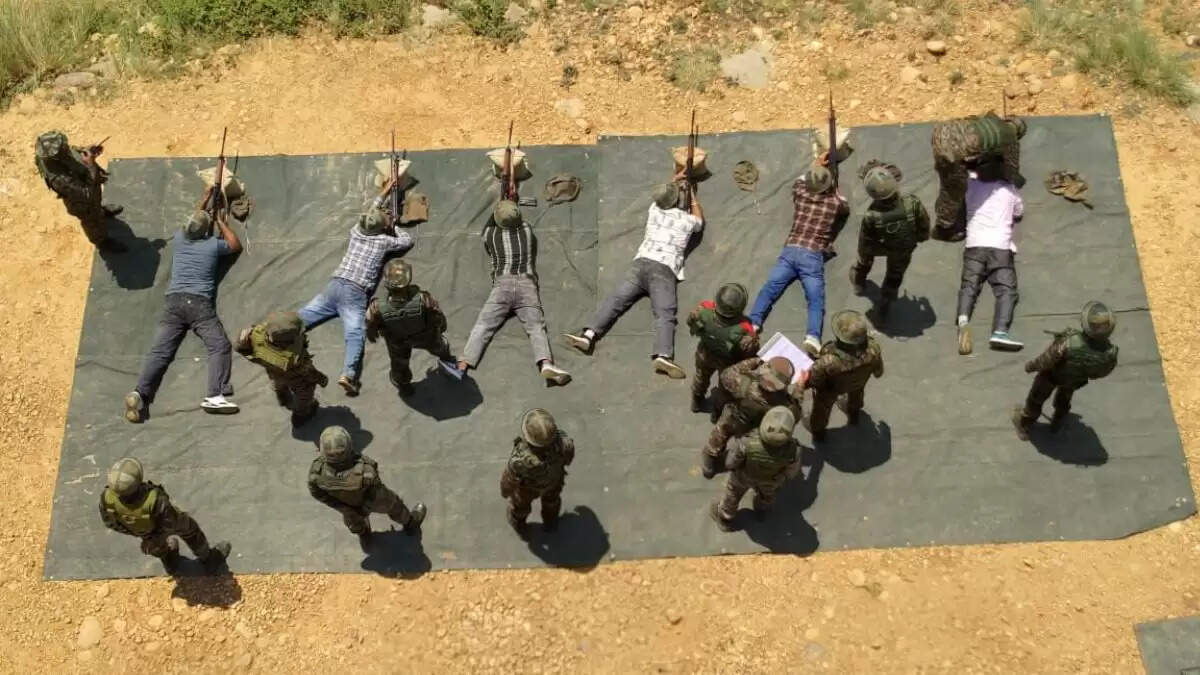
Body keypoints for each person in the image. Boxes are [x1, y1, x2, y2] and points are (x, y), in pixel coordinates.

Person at [561, 175, 704, 379]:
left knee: (615, 300)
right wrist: (693, 197)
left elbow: (664, 193)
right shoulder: (687, 220)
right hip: (663, 270)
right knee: (664, 314)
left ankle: (588, 335)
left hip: (640, 265)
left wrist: (675, 178)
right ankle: (663, 355)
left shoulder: (654, 210)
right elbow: (699, 221)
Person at [123, 188, 241, 423]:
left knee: (160, 352)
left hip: (173, 303)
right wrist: (221, 222)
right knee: (219, 346)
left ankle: (139, 392)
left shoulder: (179, 238)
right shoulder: (212, 246)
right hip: (198, 304)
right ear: (206, 231)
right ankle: (215, 394)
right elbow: (235, 245)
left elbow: (194, 219)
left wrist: (205, 199)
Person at [297, 177, 414, 397]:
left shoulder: (356, 231)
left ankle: (273, 333)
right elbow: (407, 240)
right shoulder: (384, 241)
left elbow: (372, 210)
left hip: (335, 284)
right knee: (355, 334)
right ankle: (348, 375)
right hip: (354, 293)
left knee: (304, 317)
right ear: (382, 229)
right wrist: (394, 225)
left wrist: (384, 191)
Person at [457, 201, 571, 385]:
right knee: (536, 328)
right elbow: (516, 221)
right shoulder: (527, 230)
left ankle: (463, 365)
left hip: (502, 285)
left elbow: (489, 225)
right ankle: (546, 363)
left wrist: (498, 209)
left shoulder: (490, 235)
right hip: (527, 284)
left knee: (483, 325)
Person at [747, 165, 849, 357]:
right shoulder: (834, 204)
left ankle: (754, 323)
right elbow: (844, 205)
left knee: (770, 288)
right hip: (812, 256)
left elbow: (799, 181)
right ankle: (813, 337)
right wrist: (833, 188)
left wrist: (817, 164)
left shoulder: (801, 194)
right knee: (815, 300)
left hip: (791, 250)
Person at [98, 457, 231, 572]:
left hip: (141, 530)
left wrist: (144, 536)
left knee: (155, 545)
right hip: (164, 523)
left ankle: (169, 560)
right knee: (190, 530)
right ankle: (208, 559)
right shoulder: (154, 499)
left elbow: (110, 523)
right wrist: (158, 537)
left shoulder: (107, 498)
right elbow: (170, 522)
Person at [1012, 301, 1119, 440]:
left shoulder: (1070, 342)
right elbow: (1102, 373)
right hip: (1074, 381)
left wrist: (1031, 366)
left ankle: (1024, 423)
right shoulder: (1110, 353)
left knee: (1036, 399)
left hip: (1051, 376)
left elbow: (1047, 359)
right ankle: (1058, 422)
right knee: (1064, 400)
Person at [307, 426, 427, 548]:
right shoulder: (366, 469)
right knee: (395, 506)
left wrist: (343, 508)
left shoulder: (316, 474)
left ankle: (364, 535)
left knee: (354, 522)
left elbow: (316, 492)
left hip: (347, 505)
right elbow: (375, 490)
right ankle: (411, 523)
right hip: (373, 500)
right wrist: (364, 509)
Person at [955, 157, 1025, 355]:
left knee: (969, 286)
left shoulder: (970, 185)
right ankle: (1000, 331)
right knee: (1006, 290)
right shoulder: (1009, 189)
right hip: (1000, 248)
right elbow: (1019, 212)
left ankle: (963, 319)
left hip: (974, 246)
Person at [849, 161, 931, 319]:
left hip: (881, 246)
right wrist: (921, 238)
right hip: (903, 248)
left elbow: (865, 242)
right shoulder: (912, 203)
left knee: (863, 262)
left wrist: (864, 257)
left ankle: (859, 282)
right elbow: (924, 225)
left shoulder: (871, 215)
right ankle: (885, 304)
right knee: (895, 275)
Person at [365, 259, 458, 397]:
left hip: (398, 342)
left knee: (399, 365)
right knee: (440, 346)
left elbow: (370, 327)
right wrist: (441, 327)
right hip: (425, 336)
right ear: (408, 281)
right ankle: (448, 362)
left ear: (387, 284)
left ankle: (404, 386)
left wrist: (373, 334)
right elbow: (437, 317)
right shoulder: (423, 299)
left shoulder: (376, 307)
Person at [701, 356, 803, 479]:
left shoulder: (744, 383)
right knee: (748, 448)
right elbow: (795, 416)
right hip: (756, 429)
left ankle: (708, 466)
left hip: (734, 418)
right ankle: (740, 462)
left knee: (719, 435)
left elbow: (726, 375)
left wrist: (755, 361)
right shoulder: (784, 405)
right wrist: (800, 387)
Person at [930, 112, 1026, 241]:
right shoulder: (1011, 140)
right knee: (953, 190)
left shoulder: (991, 118)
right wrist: (1015, 184)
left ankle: (945, 167)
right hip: (952, 150)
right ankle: (943, 229)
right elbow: (1012, 171)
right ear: (1018, 134)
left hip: (942, 130)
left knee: (950, 172)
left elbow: (977, 138)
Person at [710, 406, 803, 532]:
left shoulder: (746, 442)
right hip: (770, 481)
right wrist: (780, 479)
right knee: (766, 496)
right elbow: (791, 473)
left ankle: (725, 518)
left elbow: (730, 463)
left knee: (733, 494)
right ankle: (761, 510)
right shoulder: (794, 450)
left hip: (743, 476)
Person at [33, 130, 124, 251]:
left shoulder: (55, 154)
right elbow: (87, 194)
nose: (66, 147)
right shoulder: (59, 179)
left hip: (88, 189)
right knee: (92, 221)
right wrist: (91, 165)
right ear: (56, 156)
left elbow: (72, 152)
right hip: (83, 204)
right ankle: (102, 242)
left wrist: (87, 150)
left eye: (64, 145)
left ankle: (100, 210)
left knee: (96, 207)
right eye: (63, 148)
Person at [235, 311, 330, 427]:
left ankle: (283, 398)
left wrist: (242, 341)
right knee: (305, 396)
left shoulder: (256, 339)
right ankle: (300, 416)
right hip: (296, 377)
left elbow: (241, 349)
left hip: (273, 372)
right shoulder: (293, 356)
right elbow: (308, 371)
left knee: (278, 383)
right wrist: (322, 379)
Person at [804, 310, 884, 442]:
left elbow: (814, 381)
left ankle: (818, 432)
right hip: (858, 383)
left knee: (821, 408)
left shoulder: (828, 361)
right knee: (856, 394)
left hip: (832, 390)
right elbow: (878, 372)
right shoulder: (873, 350)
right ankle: (854, 414)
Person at [500, 408, 575, 539]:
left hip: (528, 489)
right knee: (552, 502)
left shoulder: (521, 460)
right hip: (554, 482)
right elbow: (568, 458)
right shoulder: (564, 443)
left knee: (520, 507)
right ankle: (550, 523)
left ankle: (519, 524)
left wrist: (505, 491)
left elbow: (509, 478)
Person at [685, 282, 759, 414]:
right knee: (724, 388)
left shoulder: (704, 308)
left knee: (700, 378)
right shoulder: (745, 328)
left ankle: (696, 402)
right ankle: (716, 412)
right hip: (726, 362)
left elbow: (690, 322)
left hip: (704, 353)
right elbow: (750, 353)